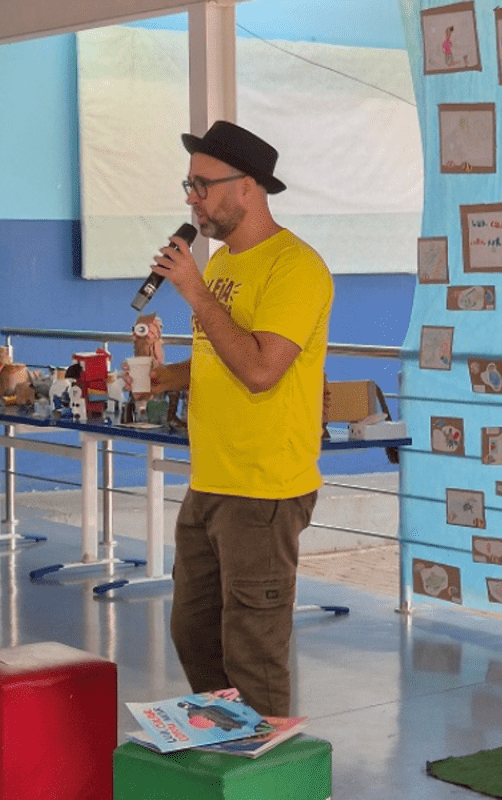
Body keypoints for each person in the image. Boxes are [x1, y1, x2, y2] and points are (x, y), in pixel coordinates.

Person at [146, 120, 333, 718]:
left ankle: (267, 760)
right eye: (189, 185)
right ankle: (227, 744)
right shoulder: (225, 263)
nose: (192, 199)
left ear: (247, 187)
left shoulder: (295, 267)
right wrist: (166, 375)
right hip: (211, 481)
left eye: (202, 185)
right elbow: (220, 353)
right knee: (194, 633)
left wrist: (196, 294)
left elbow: (259, 369)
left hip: (263, 488)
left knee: (253, 655)